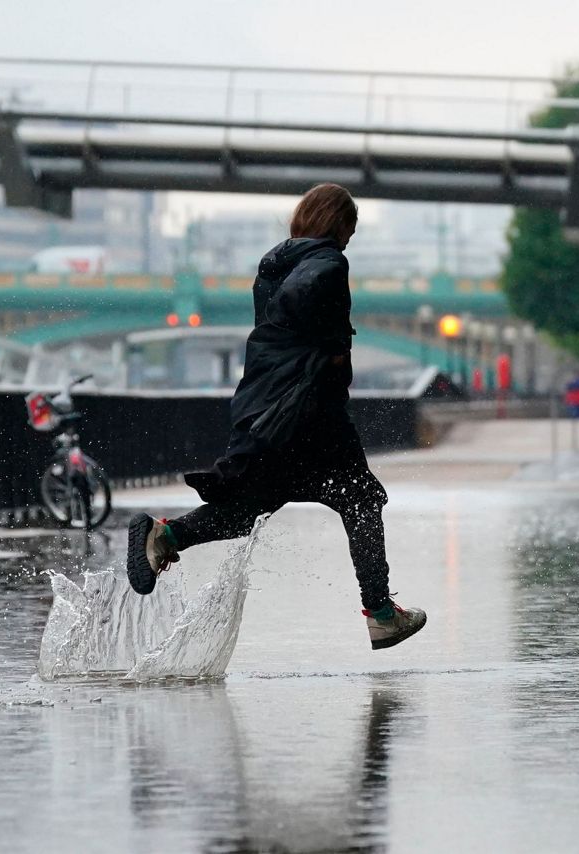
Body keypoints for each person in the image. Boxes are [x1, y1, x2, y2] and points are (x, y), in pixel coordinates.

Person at [126, 183, 427, 651]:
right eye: (349, 227)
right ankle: (382, 615)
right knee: (361, 500)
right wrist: (326, 345)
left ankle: (164, 538)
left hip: (274, 410)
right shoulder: (328, 262)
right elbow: (304, 302)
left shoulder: (273, 265)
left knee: (248, 509)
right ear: (337, 223)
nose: (350, 238)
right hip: (313, 412)